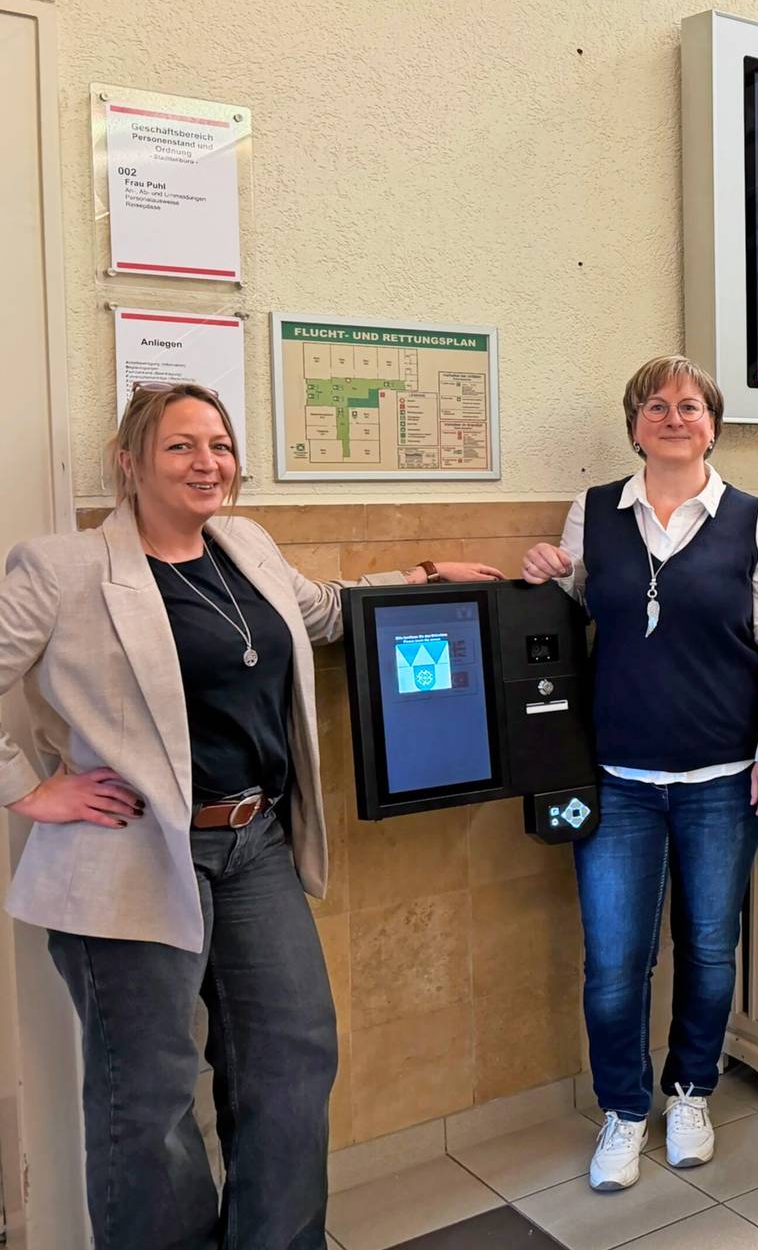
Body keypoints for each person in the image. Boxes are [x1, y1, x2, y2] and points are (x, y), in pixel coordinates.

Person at [0, 385, 496, 1250]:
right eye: (181, 446)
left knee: (294, 1060)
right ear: (130, 461)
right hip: (134, 852)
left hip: (254, 842)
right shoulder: (63, 568)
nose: (208, 464)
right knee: (147, 1097)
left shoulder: (248, 547)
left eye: (220, 444)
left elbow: (326, 612)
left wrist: (422, 576)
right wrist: (26, 789)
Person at [521, 355, 758, 1190]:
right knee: (614, 961)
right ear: (634, 422)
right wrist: (551, 572)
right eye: (656, 404)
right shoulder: (595, 512)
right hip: (617, 779)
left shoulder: (755, 520)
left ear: (713, 424)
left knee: (710, 949)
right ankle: (623, 1108)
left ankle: (689, 1091)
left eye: (689, 405)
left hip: (723, 777)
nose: (673, 416)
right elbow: (579, 606)